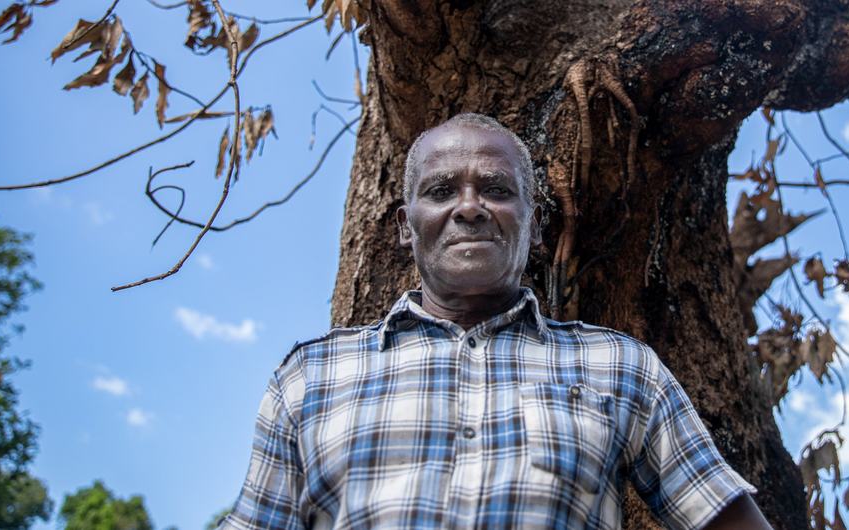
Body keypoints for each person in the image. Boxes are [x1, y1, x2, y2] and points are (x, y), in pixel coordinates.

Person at [223, 114, 773, 529]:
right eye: (441, 191)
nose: (469, 207)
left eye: (497, 189)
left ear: (534, 226)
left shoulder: (621, 367)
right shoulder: (310, 377)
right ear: (403, 227)